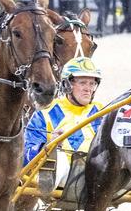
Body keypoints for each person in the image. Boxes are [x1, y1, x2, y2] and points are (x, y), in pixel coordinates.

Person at [24, 57, 103, 193]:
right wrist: (48, 145)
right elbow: (25, 154)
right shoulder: (46, 113)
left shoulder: (102, 112)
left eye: (92, 84)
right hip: (62, 176)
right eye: (83, 83)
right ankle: (48, 182)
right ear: (67, 84)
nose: (88, 89)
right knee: (58, 157)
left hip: (95, 175)